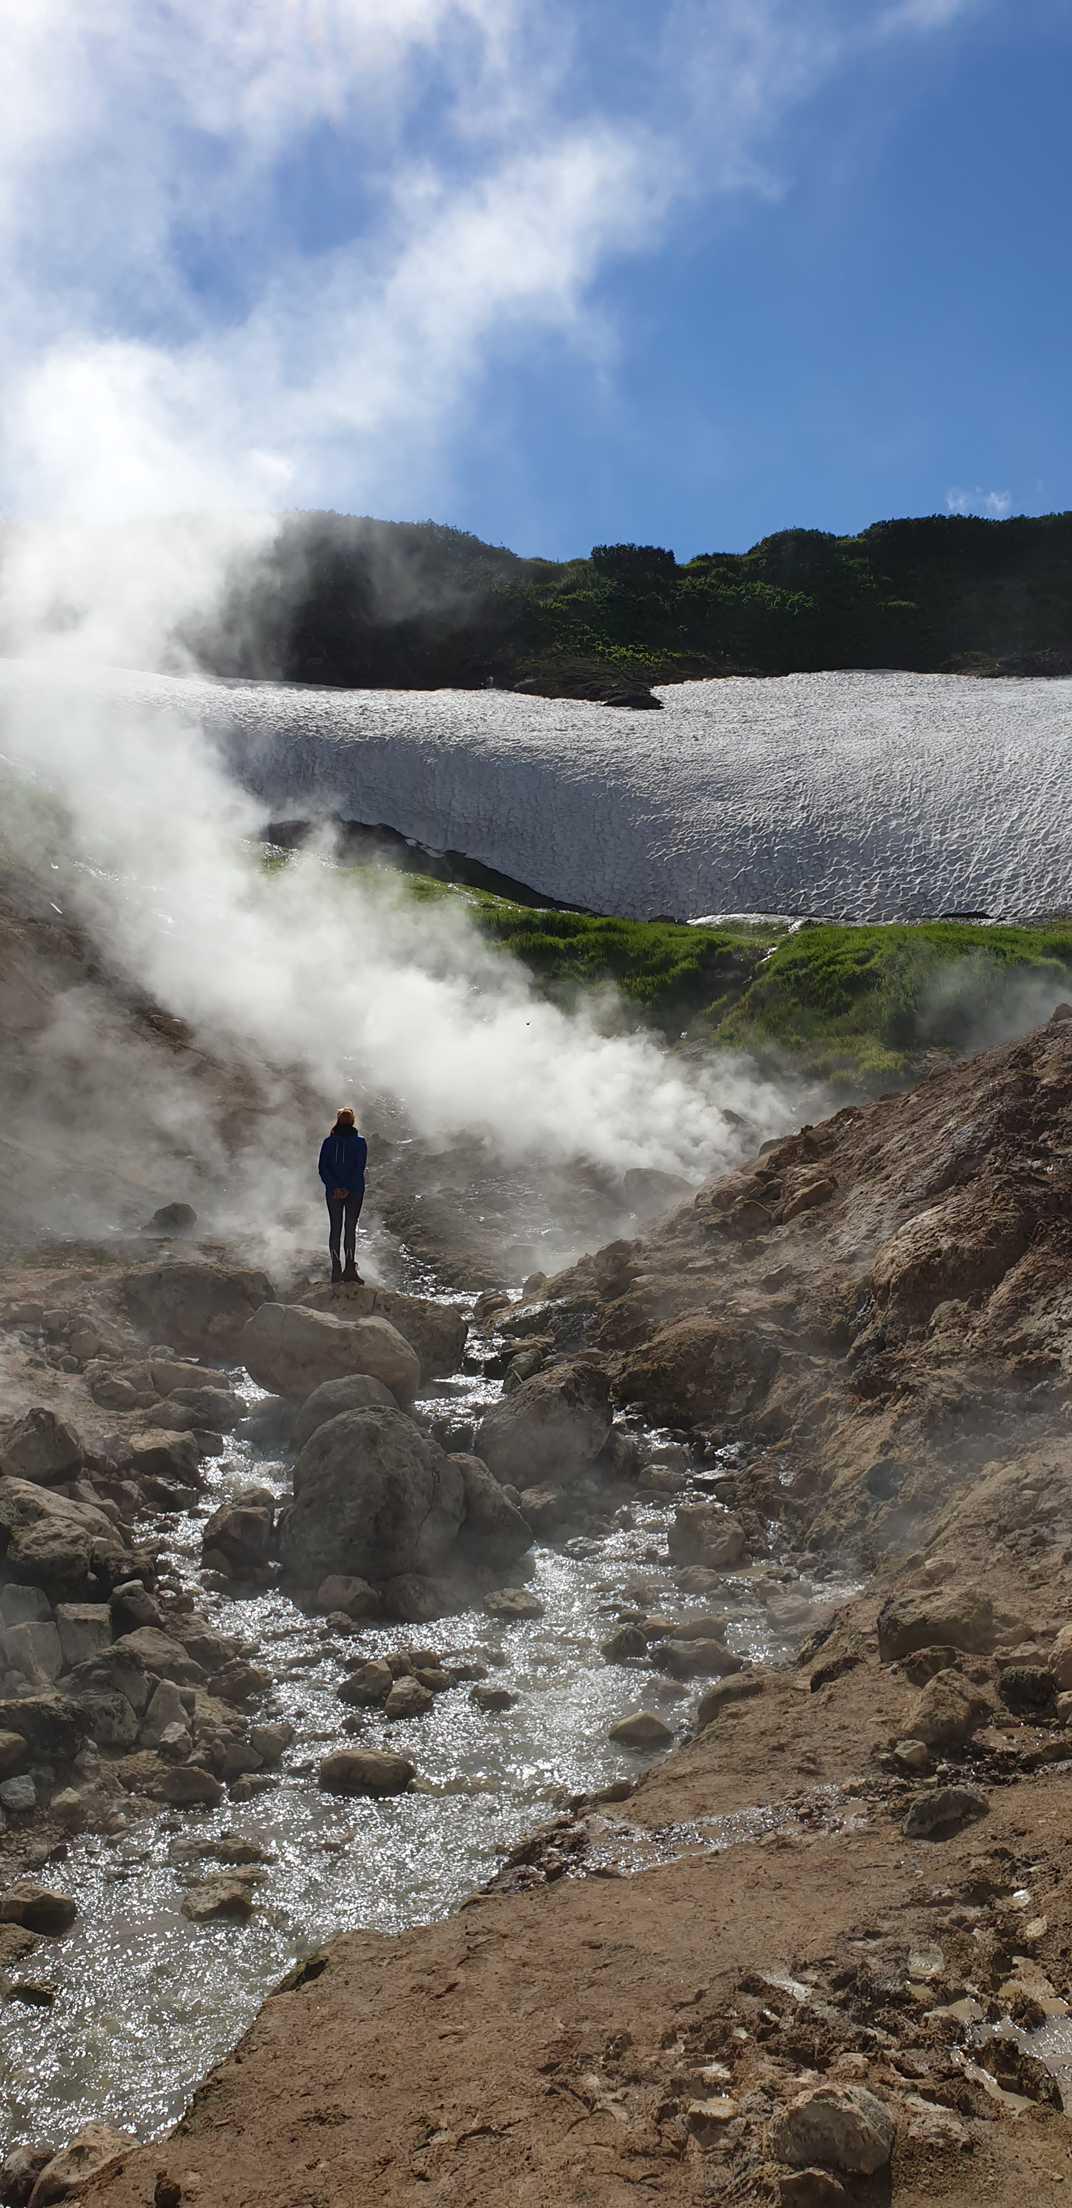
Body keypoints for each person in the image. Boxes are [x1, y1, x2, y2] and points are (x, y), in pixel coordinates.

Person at [318, 1106, 368, 1284]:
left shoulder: (329, 1142)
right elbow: (359, 1167)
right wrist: (346, 1187)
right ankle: (349, 1270)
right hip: (354, 1190)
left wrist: (334, 1187)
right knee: (350, 1229)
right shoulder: (360, 1142)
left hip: (334, 1192)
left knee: (335, 1228)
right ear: (353, 1121)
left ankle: (336, 1270)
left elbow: (323, 1168)